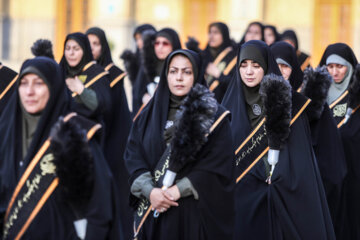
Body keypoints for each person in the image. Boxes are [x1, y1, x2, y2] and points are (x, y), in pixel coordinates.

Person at [222, 40, 335, 239]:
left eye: (256, 66)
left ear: (266, 67)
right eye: (243, 65)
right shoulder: (228, 105)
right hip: (238, 206)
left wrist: (275, 177)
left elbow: (301, 166)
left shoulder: (289, 105)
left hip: (276, 204)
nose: (249, 71)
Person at [0, 57, 122, 239]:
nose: (29, 92)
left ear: (54, 87)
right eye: (23, 83)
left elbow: (99, 211)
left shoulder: (77, 136)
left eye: (39, 83)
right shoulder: (5, 135)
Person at [124, 49, 235, 240]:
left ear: (197, 74)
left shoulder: (216, 117)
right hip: (152, 214)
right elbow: (133, 156)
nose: (179, 78)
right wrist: (151, 192)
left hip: (192, 216)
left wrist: (177, 191)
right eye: (173, 71)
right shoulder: (147, 115)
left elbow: (218, 165)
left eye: (187, 72)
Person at [271, 41, 347, 238]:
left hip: (304, 198)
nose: (280, 72)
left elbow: (332, 166)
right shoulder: (256, 106)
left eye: (285, 66)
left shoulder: (309, 108)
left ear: (294, 69)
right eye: (275, 65)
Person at [86, 26, 133, 239]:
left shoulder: (113, 75)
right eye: (87, 44)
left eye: (96, 44)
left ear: (103, 47)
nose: (91, 48)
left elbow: (120, 119)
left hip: (108, 145)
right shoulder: (73, 74)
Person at [319, 43, 360, 239]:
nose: (334, 72)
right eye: (330, 67)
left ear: (350, 67)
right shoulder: (316, 96)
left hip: (354, 174)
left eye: (340, 66)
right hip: (325, 175)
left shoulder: (357, 97)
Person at [59, 32, 112, 143]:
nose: (71, 53)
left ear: (85, 50)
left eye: (76, 49)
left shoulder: (97, 73)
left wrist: (81, 90)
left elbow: (101, 105)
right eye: (67, 48)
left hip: (87, 136)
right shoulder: (60, 72)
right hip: (60, 135)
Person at [132, 28, 181, 117]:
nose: (160, 47)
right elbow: (137, 93)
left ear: (174, 45)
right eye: (157, 43)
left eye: (165, 43)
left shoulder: (180, 68)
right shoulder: (147, 67)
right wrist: (143, 97)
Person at [199, 22, 237, 102]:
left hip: (223, 103)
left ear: (224, 35)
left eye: (216, 32)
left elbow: (235, 85)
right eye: (210, 32)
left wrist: (218, 75)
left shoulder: (233, 56)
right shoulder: (204, 54)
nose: (211, 36)